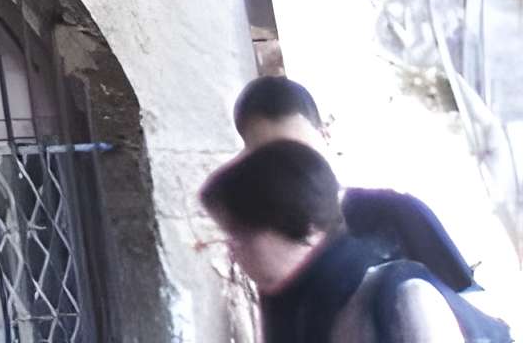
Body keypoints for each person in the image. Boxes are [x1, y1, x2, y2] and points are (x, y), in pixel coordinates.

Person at [203, 141, 473, 343]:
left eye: (242, 236)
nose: (234, 253)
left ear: (302, 225)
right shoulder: (290, 306)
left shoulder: (404, 302)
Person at [238, 75, 481, 292]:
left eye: (300, 150)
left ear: (325, 136)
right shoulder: (264, 262)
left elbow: (474, 313)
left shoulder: (397, 214)